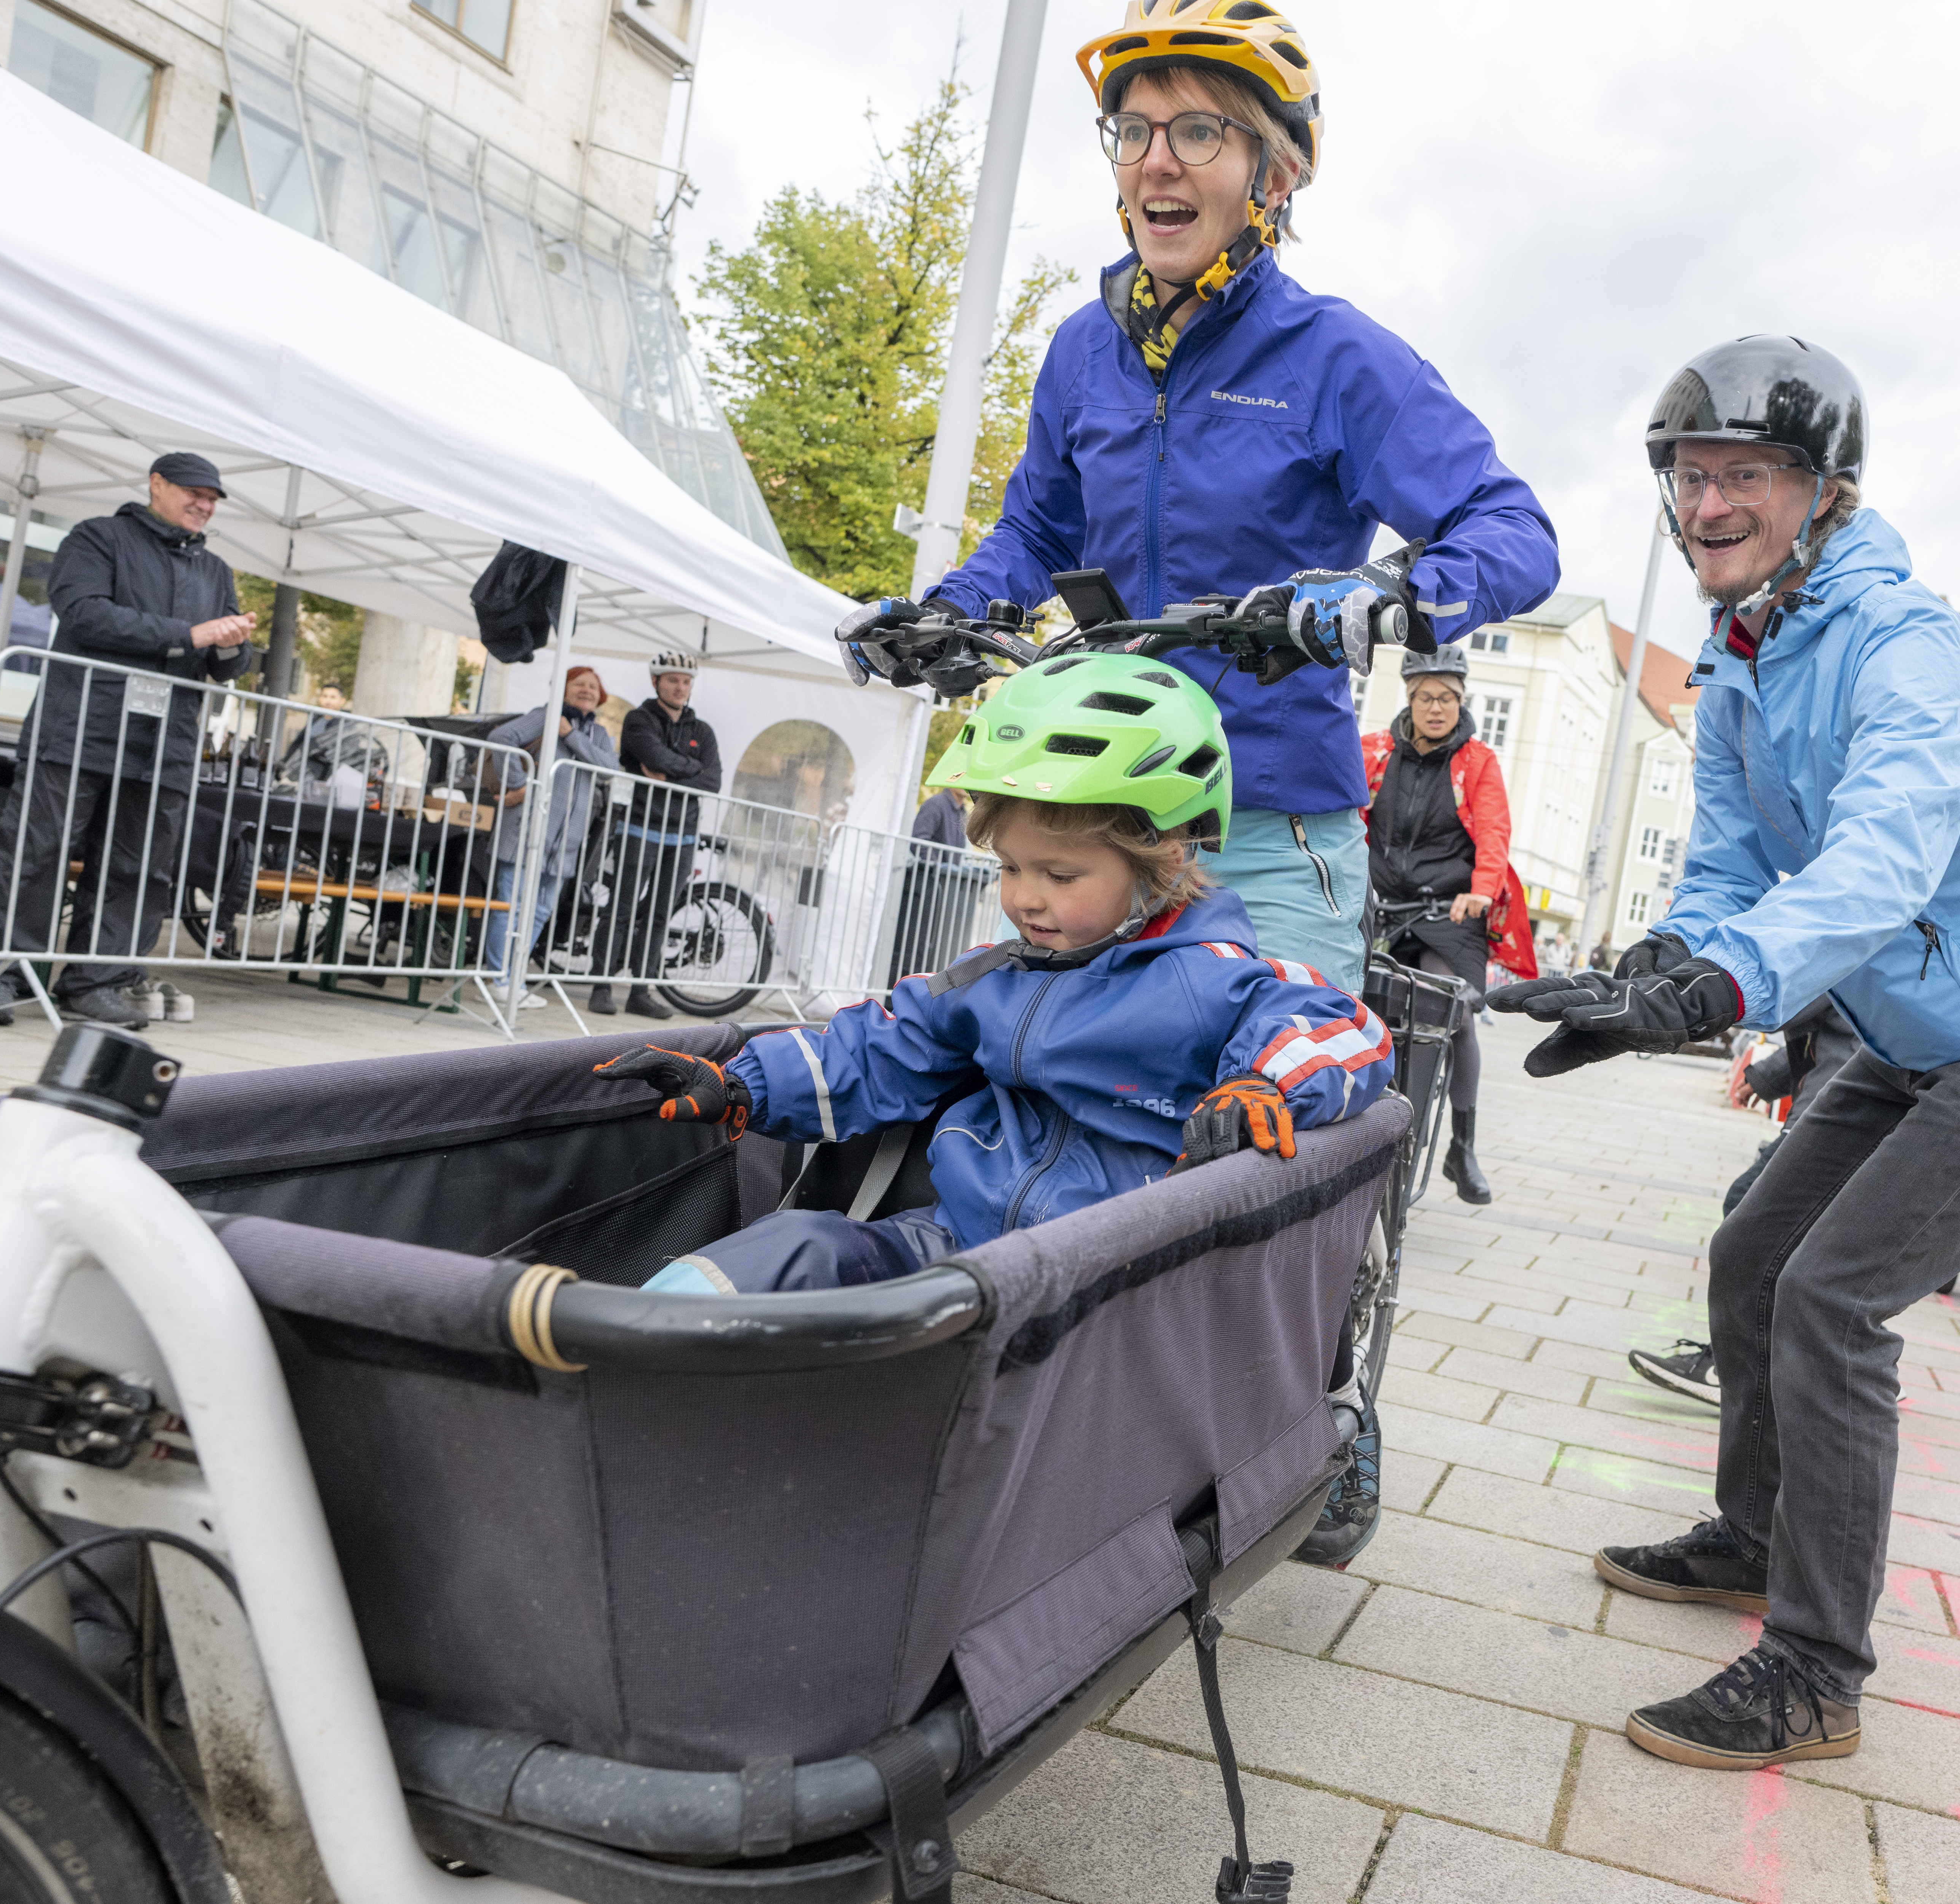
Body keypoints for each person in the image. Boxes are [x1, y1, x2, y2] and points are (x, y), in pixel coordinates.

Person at [1490, 336, 1960, 1771]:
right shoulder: (1740, 655)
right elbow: (1729, 859)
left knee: (1833, 1298)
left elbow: (1883, 860)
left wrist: (1731, 979)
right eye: (1688, 476)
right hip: (1923, 1030)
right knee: (1751, 1255)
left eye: (1744, 475)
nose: (1706, 504)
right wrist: (1660, 970)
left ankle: (1815, 1670)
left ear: (1823, 492)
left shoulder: (1900, 640)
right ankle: (1750, 1537)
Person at [837, 1, 1557, 990]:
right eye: (1132, 131)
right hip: (1093, 811)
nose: (1155, 160)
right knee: (1002, 1080)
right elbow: (1037, 530)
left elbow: (1512, 530)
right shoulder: (1081, 351)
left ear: (1277, 174)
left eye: (1198, 130)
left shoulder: (1334, 358)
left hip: (1262, 826)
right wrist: (951, 608)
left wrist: (1381, 594)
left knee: (1282, 1113)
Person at [599, 656, 1388, 1294]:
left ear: (1167, 858)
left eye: (1061, 872)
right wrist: (739, 1084)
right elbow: (882, 1045)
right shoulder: (996, 976)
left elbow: (1340, 1023)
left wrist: (1261, 1084)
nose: (1024, 897)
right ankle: (632, 1348)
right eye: (1010, 866)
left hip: (1108, 1282)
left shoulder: (1211, 976)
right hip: (955, 1247)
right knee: (799, 1243)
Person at [0, 452, 256, 1029]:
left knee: (140, 868)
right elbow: (84, 614)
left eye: (213, 498)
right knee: (35, 854)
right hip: (79, 728)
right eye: (194, 492)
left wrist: (228, 645)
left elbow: (227, 664)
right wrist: (189, 634)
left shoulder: (215, 570)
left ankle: (98, 982)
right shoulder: (97, 539)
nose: (205, 504)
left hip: (164, 741)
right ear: (157, 485)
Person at [1632, 997, 1861, 1410]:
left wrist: (1687, 997)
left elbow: (1796, 993)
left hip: (1839, 1104)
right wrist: (1769, 1076)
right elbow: (1833, 1017)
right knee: (1807, 1241)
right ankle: (1841, 1370)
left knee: (1751, 1218)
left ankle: (1734, 1370)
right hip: (1843, 1094)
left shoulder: (1855, 935)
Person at [1361, 646, 1511, 1204]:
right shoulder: (1375, 752)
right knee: (1348, 1003)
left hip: (1448, 912)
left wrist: (1480, 892)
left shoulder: (1476, 762)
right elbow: (1350, 821)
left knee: (1456, 1012)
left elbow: (1494, 833)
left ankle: (1461, 1146)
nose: (1436, 707)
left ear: (1461, 700)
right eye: (1427, 696)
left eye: (1448, 697)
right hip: (1381, 909)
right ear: (1409, 698)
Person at [591, 652, 720, 1021]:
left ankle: (640, 991)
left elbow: (713, 780)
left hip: (682, 834)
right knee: (622, 907)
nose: (681, 688)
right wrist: (689, 770)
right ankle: (601, 985)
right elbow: (651, 754)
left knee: (661, 914)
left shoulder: (703, 731)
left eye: (686, 682)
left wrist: (672, 770)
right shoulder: (638, 720)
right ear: (656, 682)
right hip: (640, 826)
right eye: (673, 680)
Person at [484, 666, 618, 1010]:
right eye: (579, 685)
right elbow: (502, 739)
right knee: (510, 905)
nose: (587, 691)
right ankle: (499, 978)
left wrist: (571, 735)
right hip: (527, 831)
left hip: (566, 843)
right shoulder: (543, 717)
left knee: (541, 910)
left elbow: (610, 768)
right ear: (563, 688)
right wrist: (519, 784)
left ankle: (514, 978)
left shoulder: (597, 733)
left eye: (593, 686)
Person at [889, 783, 986, 986]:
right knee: (916, 946)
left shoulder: (962, 812)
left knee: (935, 947)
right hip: (927, 887)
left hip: (944, 888)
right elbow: (920, 840)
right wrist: (939, 868)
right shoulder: (936, 805)